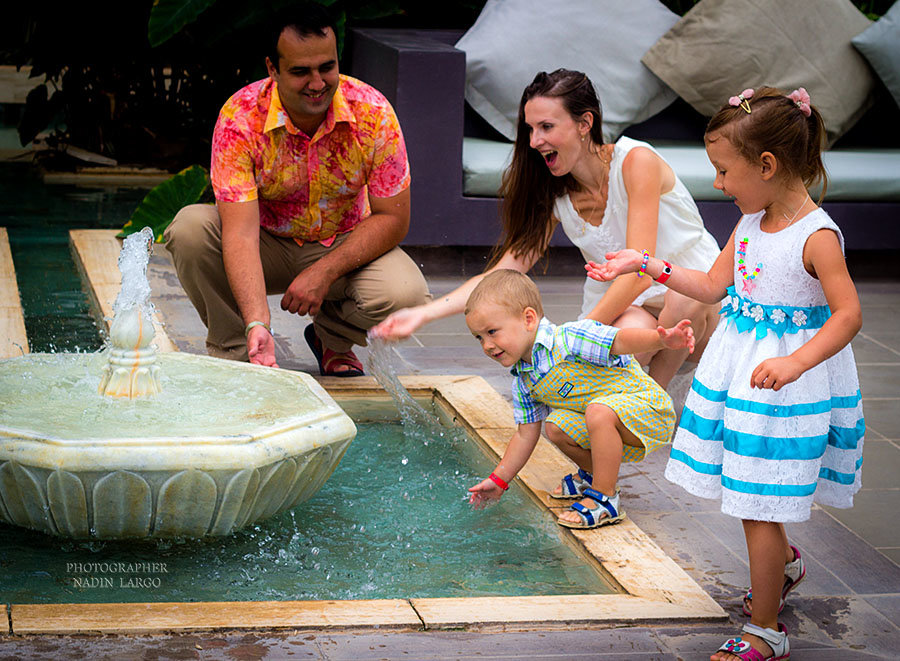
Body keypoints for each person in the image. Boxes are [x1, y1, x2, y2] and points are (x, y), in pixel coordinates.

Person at [588, 87, 864, 661]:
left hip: (787, 387)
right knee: (749, 490)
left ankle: (766, 629)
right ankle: (783, 569)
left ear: (767, 165)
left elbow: (849, 314)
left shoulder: (816, 236)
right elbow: (713, 286)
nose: (717, 184)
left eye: (723, 170)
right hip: (741, 375)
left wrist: (795, 362)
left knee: (756, 501)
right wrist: (646, 263)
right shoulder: (751, 225)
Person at [373, 68, 719, 389]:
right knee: (621, 353)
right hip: (631, 309)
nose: (535, 140)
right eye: (530, 129)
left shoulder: (635, 161)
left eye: (547, 127)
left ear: (585, 123)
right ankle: (626, 408)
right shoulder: (556, 194)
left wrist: (576, 334)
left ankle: (652, 407)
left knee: (682, 297)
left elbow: (642, 270)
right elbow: (504, 272)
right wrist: (421, 315)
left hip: (695, 298)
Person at [164, 6, 429, 375]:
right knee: (189, 229)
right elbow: (239, 234)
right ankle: (238, 351)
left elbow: (394, 219)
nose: (317, 82)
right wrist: (258, 321)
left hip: (342, 242)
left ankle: (331, 340)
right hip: (265, 240)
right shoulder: (239, 118)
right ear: (272, 68)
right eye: (301, 71)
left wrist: (323, 272)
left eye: (327, 67)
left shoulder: (373, 113)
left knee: (407, 293)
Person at [464, 269, 695, 529]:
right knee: (555, 427)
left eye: (492, 332)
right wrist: (500, 480)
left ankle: (606, 499)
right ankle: (594, 475)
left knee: (599, 410)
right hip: (607, 418)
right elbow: (525, 435)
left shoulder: (569, 338)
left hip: (648, 410)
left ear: (529, 319)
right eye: (479, 337)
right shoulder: (524, 378)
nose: (486, 345)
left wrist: (660, 340)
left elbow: (618, 340)